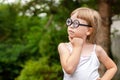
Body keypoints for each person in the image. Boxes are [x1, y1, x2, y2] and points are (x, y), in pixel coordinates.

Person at [58, 7, 117, 80]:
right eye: (70, 22)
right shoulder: (64, 47)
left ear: (88, 31)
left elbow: (112, 67)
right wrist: (77, 47)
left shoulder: (96, 50)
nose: (71, 26)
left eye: (76, 23)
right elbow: (69, 69)